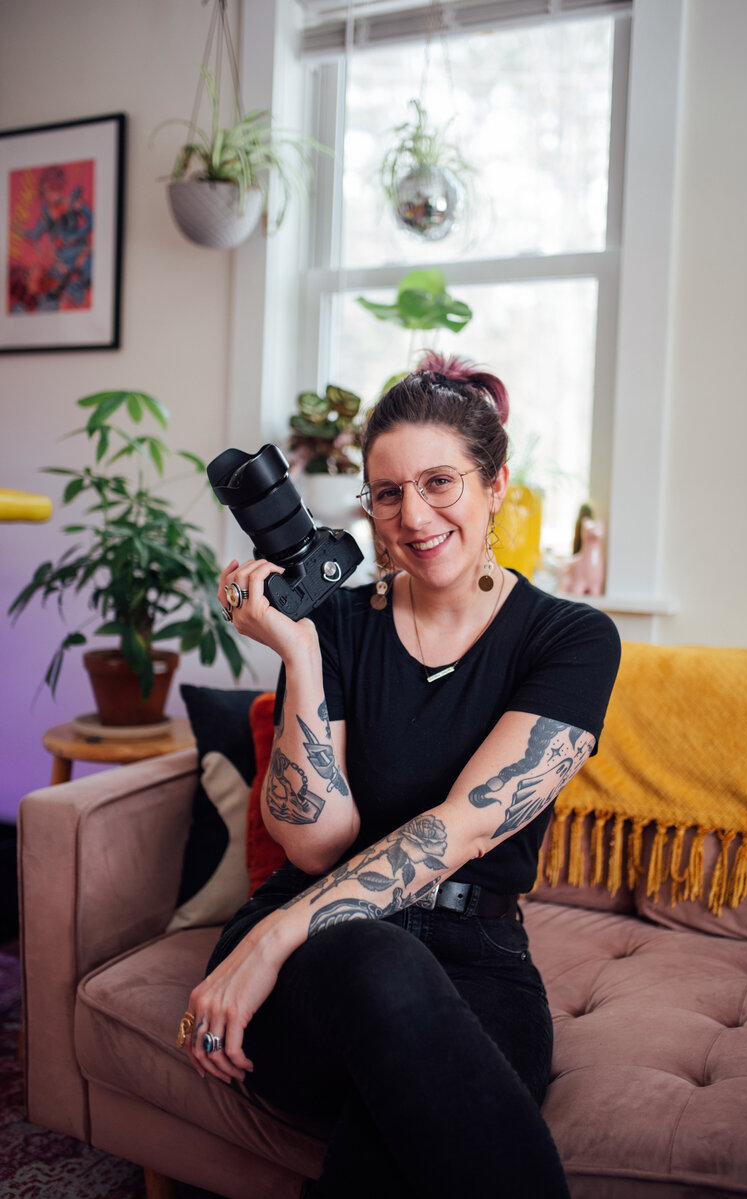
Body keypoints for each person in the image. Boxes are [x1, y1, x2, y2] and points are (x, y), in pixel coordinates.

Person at [179, 352, 621, 1198]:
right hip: (323, 967)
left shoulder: (572, 639)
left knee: (398, 1142)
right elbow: (316, 843)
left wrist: (274, 938)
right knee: (382, 966)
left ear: (495, 485)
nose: (413, 516)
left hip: (473, 957)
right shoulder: (339, 623)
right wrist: (302, 653)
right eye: (388, 493)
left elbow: (465, 825)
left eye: (440, 482)